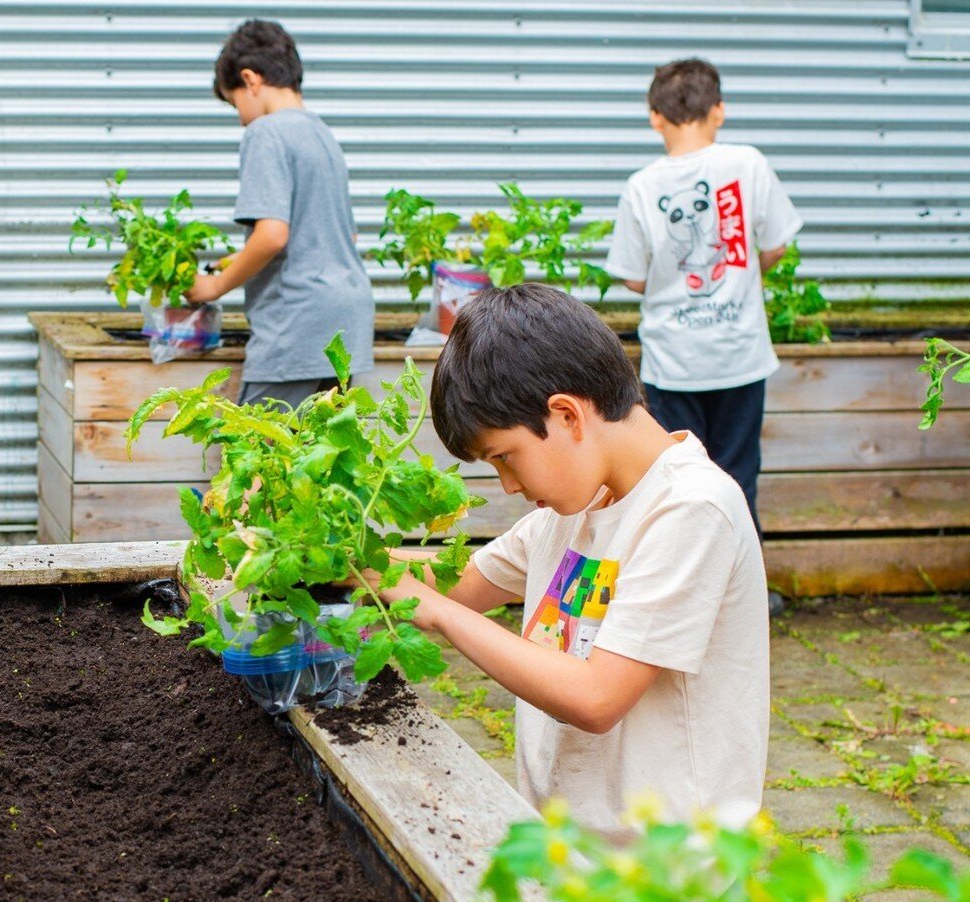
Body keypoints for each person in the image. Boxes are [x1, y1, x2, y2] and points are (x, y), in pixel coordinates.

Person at [377, 284, 770, 842]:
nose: (508, 485)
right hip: (571, 850)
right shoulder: (576, 506)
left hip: (669, 879)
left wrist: (438, 616)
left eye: (505, 458)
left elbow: (596, 697)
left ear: (566, 415)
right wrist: (349, 559)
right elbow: (459, 584)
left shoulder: (691, 509)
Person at [604, 57, 802, 615]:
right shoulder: (748, 162)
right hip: (739, 356)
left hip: (673, 360)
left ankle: (671, 600)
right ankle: (744, 600)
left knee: (669, 481)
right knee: (738, 477)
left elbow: (634, 275)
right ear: (719, 109)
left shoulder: (643, 185)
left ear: (654, 118)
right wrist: (744, 271)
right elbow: (778, 242)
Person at [186, 19, 374, 409]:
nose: (240, 117)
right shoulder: (323, 136)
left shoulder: (265, 132)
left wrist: (214, 286)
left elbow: (273, 234)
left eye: (234, 101)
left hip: (299, 325)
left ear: (251, 79)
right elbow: (341, 237)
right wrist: (242, 259)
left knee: (252, 455)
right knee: (316, 458)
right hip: (346, 320)